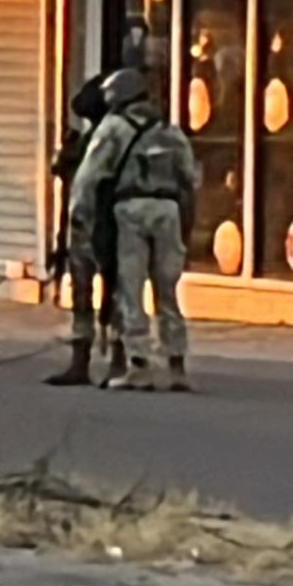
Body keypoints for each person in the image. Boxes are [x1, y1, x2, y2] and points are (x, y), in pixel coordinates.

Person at [70, 67, 198, 393]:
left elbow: (89, 176)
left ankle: (139, 365)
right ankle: (176, 365)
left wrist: (79, 213)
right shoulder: (168, 129)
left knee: (131, 288)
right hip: (168, 209)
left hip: (129, 208)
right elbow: (190, 176)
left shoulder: (113, 127)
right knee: (167, 289)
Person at [46, 73, 123, 387]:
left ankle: (115, 359)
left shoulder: (115, 136)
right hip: (85, 222)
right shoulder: (92, 138)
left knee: (113, 293)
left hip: (108, 220)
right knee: (86, 292)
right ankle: (85, 360)